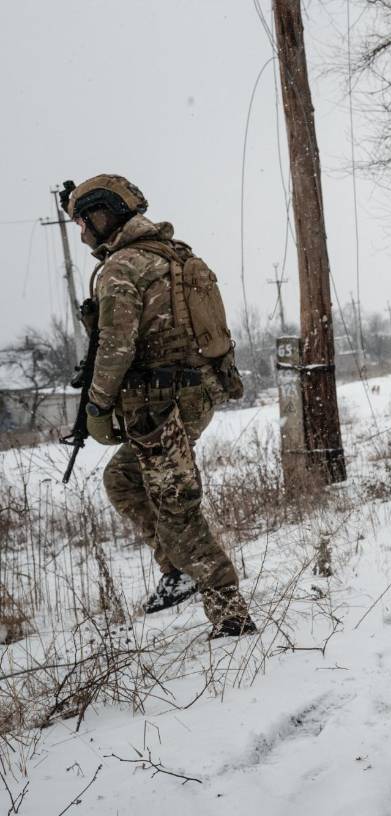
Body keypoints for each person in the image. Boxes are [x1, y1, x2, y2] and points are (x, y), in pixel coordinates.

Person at [61, 174, 256, 639]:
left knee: (178, 509)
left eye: (84, 222)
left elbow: (115, 346)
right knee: (123, 479)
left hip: (158, 405)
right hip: (193, 397)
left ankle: (231, 616)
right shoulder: (175, 255)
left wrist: (98, 405)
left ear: (103, 215)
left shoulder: (122, 267)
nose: (83, 232)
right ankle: (179, 569)